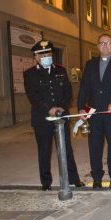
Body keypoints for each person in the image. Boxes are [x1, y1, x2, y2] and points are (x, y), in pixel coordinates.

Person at [23, 40, 84, 191]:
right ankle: (46, 182)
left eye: (48, 53)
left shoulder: (60, 71)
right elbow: (33, 96)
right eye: (42, 54)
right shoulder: (30, 74)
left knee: (66, 149)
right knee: (44, 151)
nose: (46, 56)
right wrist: (49, 109)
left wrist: (61, 108)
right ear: (35, 57)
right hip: (42, 119)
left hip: (61, 116)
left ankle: (74, 178)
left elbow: (68, 93)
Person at [77, 34, 111, 189]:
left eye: (108, 43)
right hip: (95, 114)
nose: (105, 46)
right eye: (101, 43)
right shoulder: (90, 64)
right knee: (95, 148)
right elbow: (85, 87)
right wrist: (80, 106)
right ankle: (97, 178)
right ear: (97, 46)